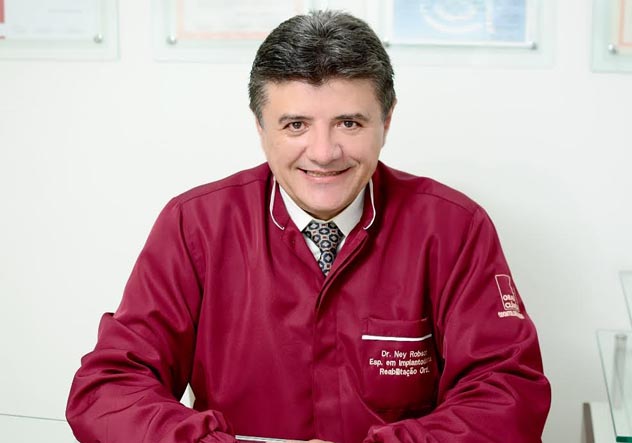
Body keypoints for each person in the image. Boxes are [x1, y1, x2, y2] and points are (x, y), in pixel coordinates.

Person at [66, 10, 550, 443]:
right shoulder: (195, 226)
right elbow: (109, 389)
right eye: (295, 124)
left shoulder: (454, 228)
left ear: (386, 121)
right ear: (261, 128)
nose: (323, 153)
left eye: (349, 123)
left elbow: (507, 394)